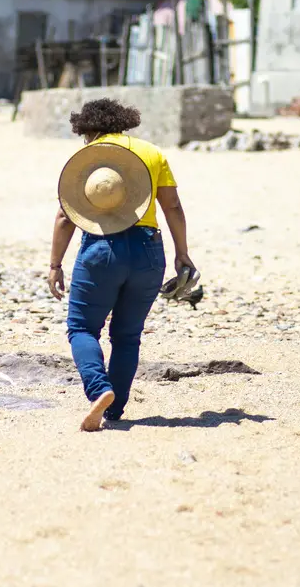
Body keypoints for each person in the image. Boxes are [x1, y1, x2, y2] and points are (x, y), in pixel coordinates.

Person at [48, 98, 196, 431]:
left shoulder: (88, 158)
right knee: (127, 336)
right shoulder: (152, 153)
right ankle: (114, 411)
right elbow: (172, 207)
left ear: (88, 130)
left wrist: (55, 264)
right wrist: (182, 253)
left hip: (101, 249)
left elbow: (64, 216)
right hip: (148, 251)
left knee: (82, 328)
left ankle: (100, 390)